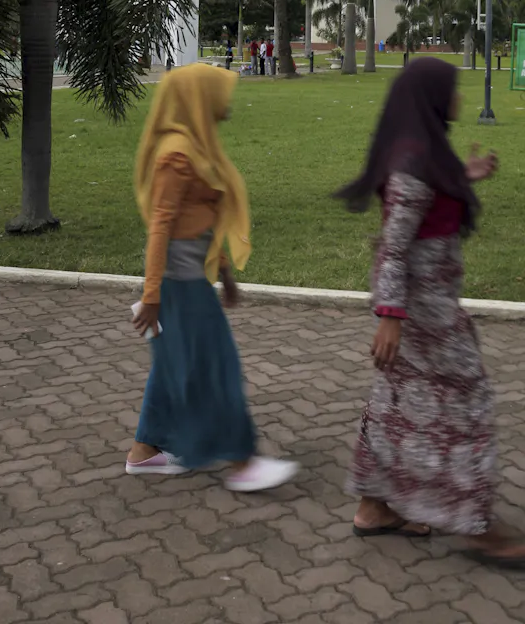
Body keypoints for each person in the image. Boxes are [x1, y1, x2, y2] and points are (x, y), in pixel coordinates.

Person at [337, 57, 525, 563]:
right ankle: (477, 526)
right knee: (466, 404)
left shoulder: (421, 152)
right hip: (427, 315)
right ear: (432, 99)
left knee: (396, 403)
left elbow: (425, 195)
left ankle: (375, 507)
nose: (460, 98)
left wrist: (466, 173)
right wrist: (391, 317)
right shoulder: (412, 164)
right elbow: (392, 247)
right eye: (454, 90)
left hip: (423, 311)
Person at [126, 65, 299, 492]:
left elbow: (204, 218)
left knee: (172, 369)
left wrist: (224, 271)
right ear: (198, 98)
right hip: (178, 287)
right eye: (219, 94)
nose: (227, 103)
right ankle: (243, 463)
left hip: (190, 283)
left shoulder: (196, 147)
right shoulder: (177, 155)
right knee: (216, 369)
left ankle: (144, 453)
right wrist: (152, 296)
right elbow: (161, 227)